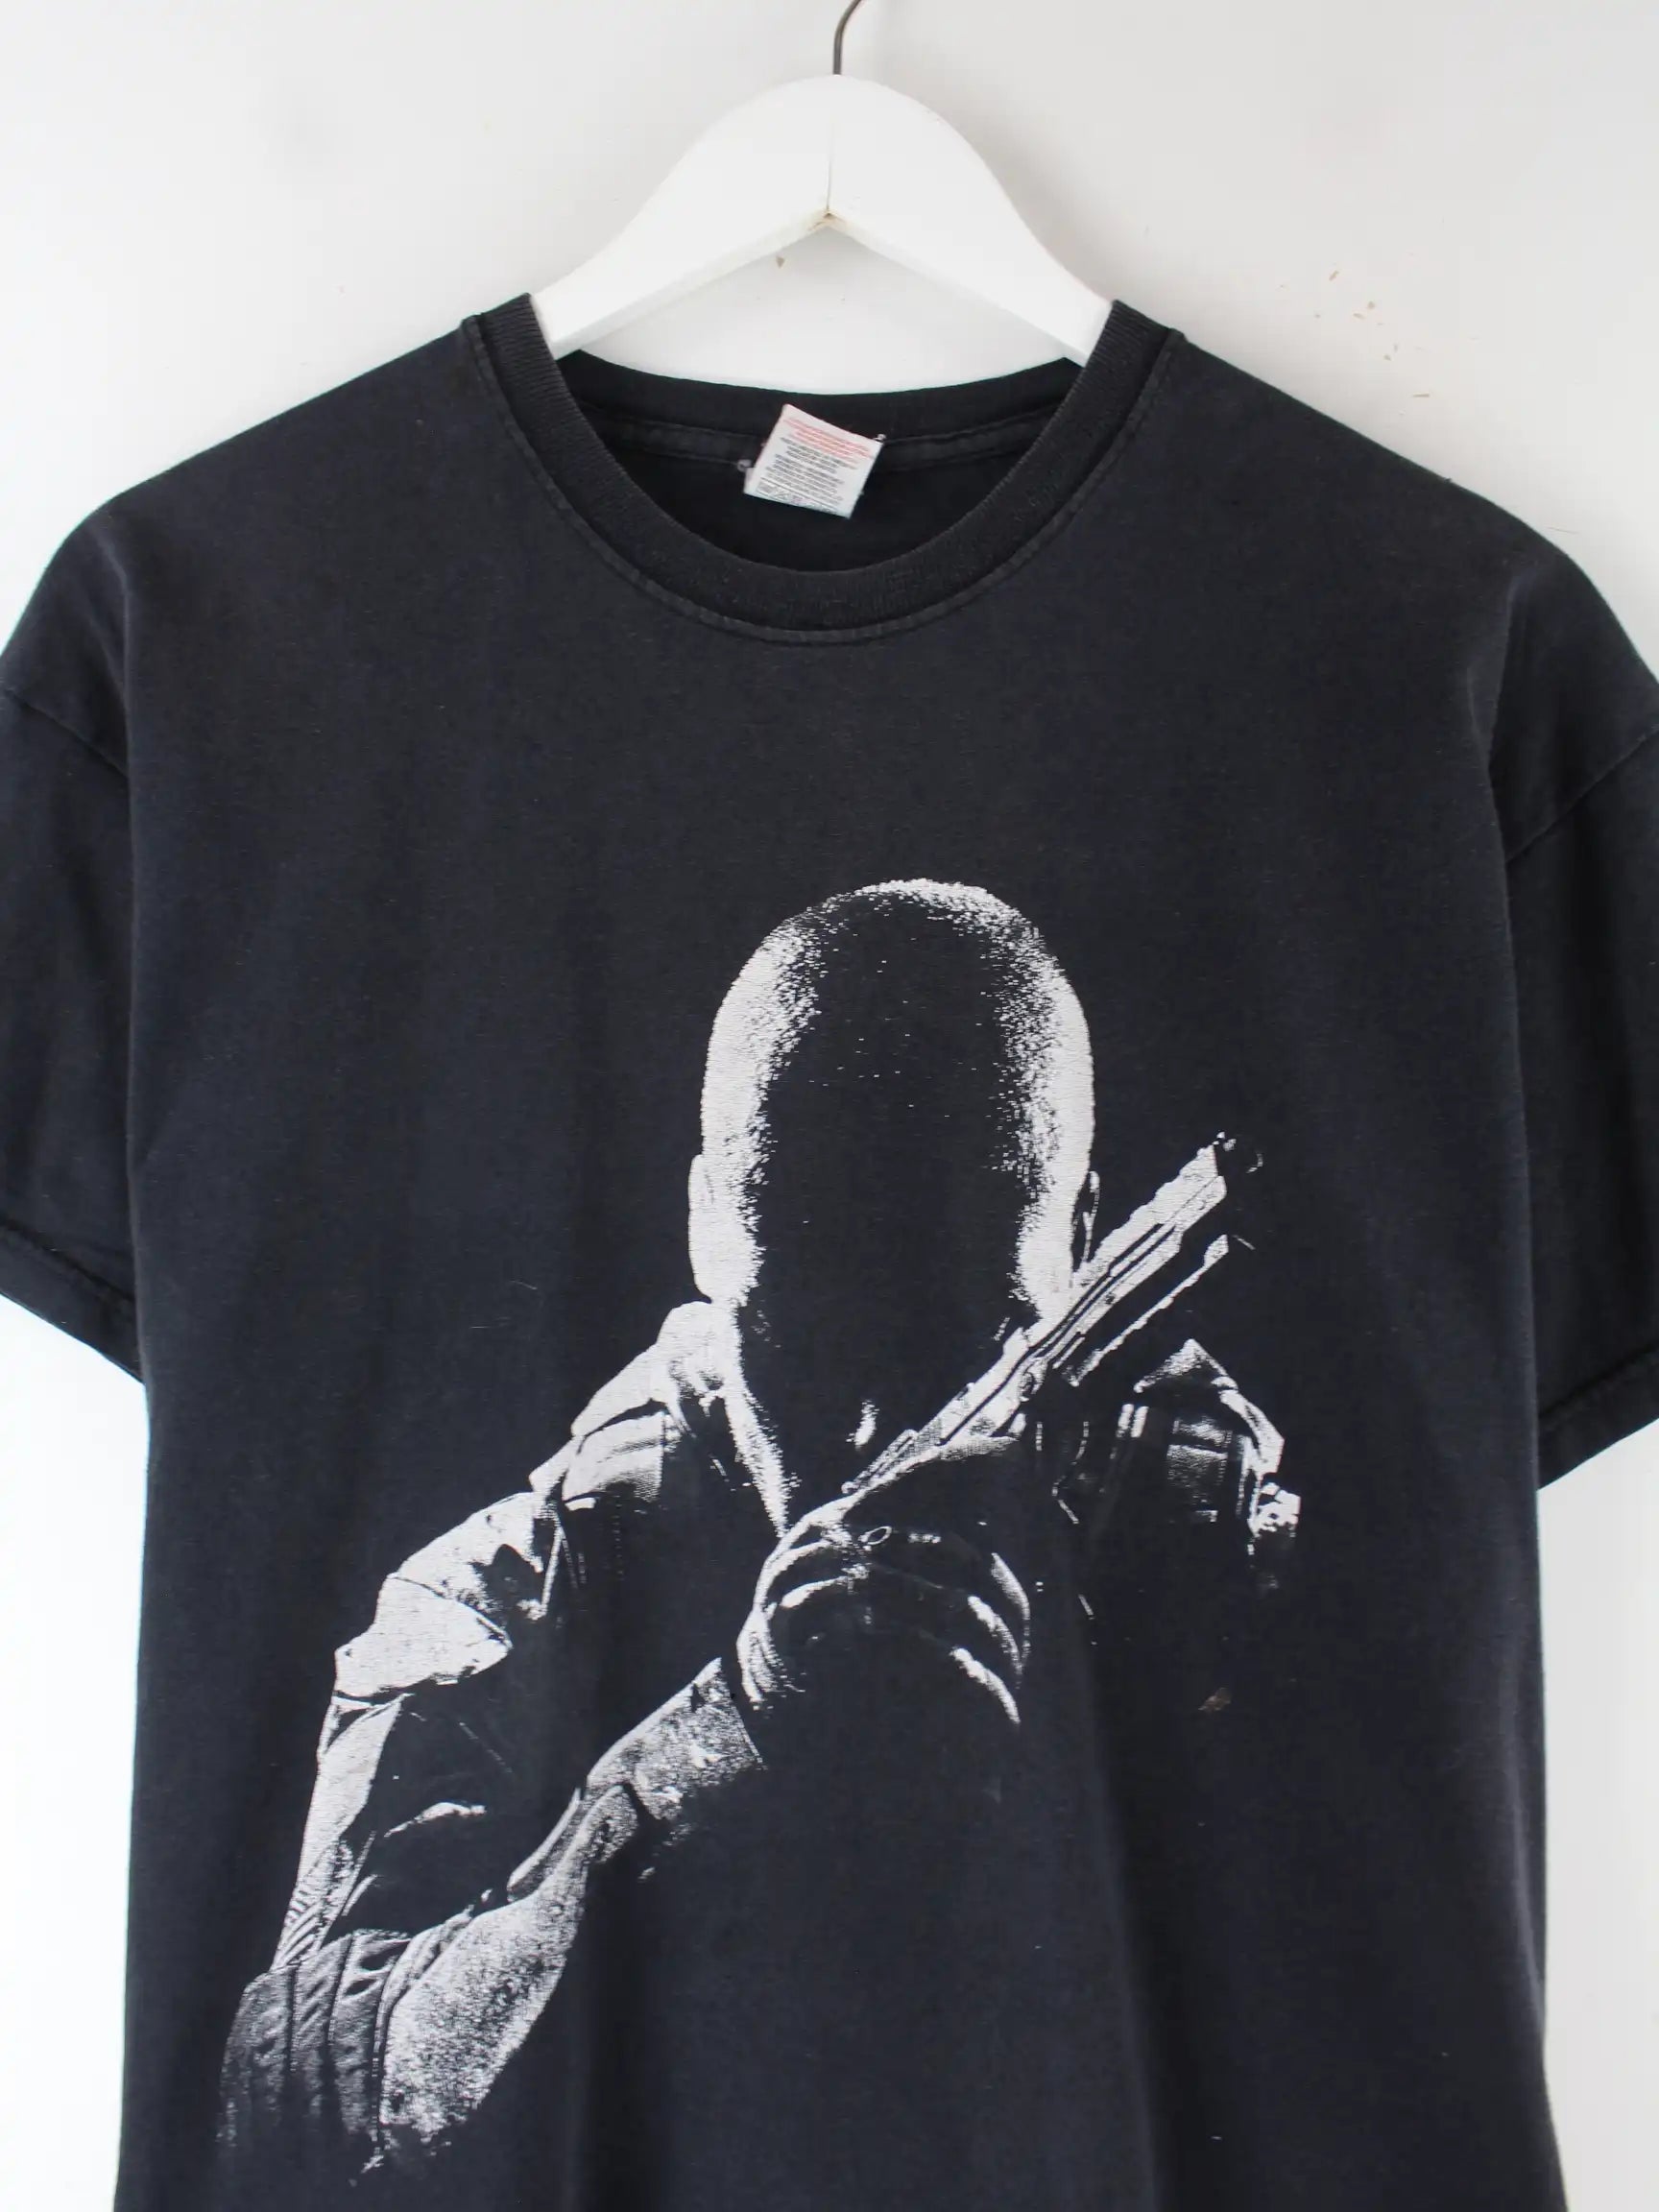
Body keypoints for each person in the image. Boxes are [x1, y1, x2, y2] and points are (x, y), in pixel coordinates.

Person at [218, 879, 1290, 2205]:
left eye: (963, 1341)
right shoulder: (503, 1602)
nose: (871, 1434)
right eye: (811, 1341)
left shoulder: (1236, 1562)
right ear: (707, 1226)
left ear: (1079, 1243)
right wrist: (722, 1739)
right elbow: (295, 2106)